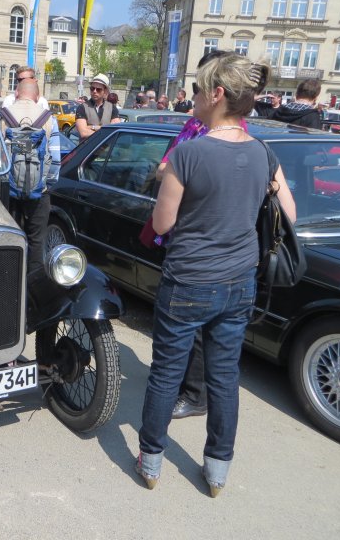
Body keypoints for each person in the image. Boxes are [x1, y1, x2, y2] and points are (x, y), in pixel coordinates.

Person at [135, 51, 295, 497]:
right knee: (224, 376)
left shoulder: (189, 154)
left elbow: (163, 225)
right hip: (240, 280)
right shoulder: (264, 152)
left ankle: (151, 462)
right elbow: (290, 213)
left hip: (189, 279)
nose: (195, 98)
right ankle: (217, 471)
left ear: (218, 94)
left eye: (200, 90)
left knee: (167, 373)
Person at [0, 79, 54, 275]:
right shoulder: (47, 117)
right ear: (38, 96)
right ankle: (33, 285)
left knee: (8, 237)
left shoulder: (4, 115)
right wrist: (46, 184)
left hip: (9, 189)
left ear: (16, 94)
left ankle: (8, 278)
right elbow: (54, 158)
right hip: (39, 190)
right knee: (37, 240)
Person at [75, 74, 122, 140]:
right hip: (88, 149)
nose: (94, 91)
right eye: (92, 88)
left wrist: (92, 127)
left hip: (106, 149)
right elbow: (83, 133)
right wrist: (104, 130)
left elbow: (114, 130)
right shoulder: (82, 108)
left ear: (105, 91)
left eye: (98, 90)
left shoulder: (112, 108)